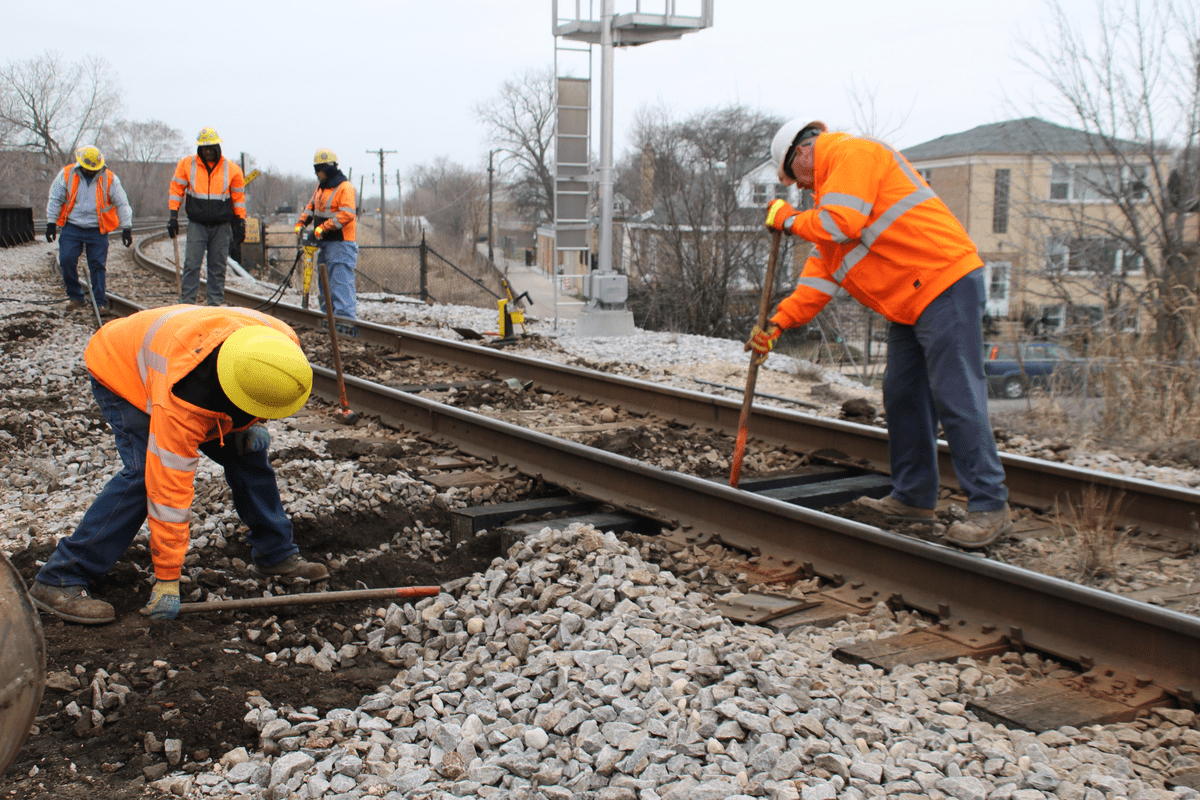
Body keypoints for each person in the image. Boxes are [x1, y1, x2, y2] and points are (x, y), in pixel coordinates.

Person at [747, 118, 1011, 549]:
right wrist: (778, 324)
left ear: (802, 153)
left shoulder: (852, 154)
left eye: (794, 178)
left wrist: (790, 221)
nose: (799, 188)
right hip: (911, 304)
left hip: (944, 283)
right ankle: (913, 498)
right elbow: (818, 280)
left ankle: (989, 505)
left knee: (956, 395)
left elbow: (841, 224)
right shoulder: (832, 201)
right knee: (903, 395)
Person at [27, 306, 329, 625]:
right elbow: (169, 489)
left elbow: (265, 386)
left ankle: (276, 554)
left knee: (247, 456)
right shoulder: (183, 401)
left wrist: (254, 423)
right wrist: (168, 577)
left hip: (182, 349)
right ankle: (60, 577)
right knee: (144, 474)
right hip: (122, 367)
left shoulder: (281, 343)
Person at [45, 145, 133, 316]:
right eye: (89, 169)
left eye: (95, 169)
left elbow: (122, 203)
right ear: (81, 165)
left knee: (98, 266)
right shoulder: (67, 174)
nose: (92, 172)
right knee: (66, 260)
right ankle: (76, 296)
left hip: (98, 229)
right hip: (72, 226)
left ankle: (99, 303)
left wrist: (127, 227)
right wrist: (51, 223)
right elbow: (55, 198)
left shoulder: (109, 178)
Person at [168, 127, 246, 306]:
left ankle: (214, 304)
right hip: (197, 224)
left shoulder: (232, 169)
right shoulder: (187, 165)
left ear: (217, 147)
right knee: (191, 264)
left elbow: (238, 199)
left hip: (221, 226)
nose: (208, 151)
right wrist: (173, 216)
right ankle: (187, 303)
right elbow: (176, 190)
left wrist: (241, 223)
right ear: (200, 148)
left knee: (217, 266)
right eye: (204, 148)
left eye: (211, 148)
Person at [294, 148, 358, 326]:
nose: (318, 173)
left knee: (340, 282)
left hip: (341, 243)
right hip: (326, 243)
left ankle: (344, 321)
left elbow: (347, 214)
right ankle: (329, 319)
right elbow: (311, 207)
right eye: (316, 169)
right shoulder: (321, 189)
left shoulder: (345, 188)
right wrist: (302, 222)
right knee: (325, 284)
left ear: (329, 168)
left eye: (320, 169)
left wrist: (323, 228)